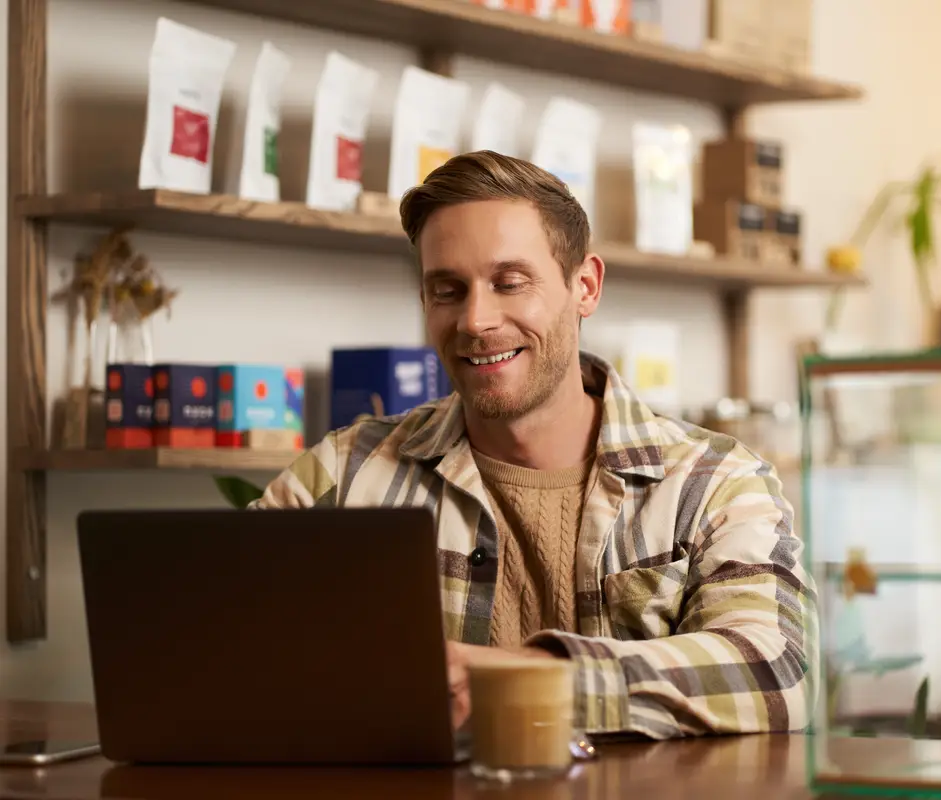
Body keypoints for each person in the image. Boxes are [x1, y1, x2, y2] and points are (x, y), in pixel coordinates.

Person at [251, 150, 819, 741]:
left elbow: (779, 673)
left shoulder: (713, 481)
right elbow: (212, 633)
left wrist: (533, 674)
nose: (475, 320)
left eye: (509, 283)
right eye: (447, 290)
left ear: (585, 286)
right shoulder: (347, 472)